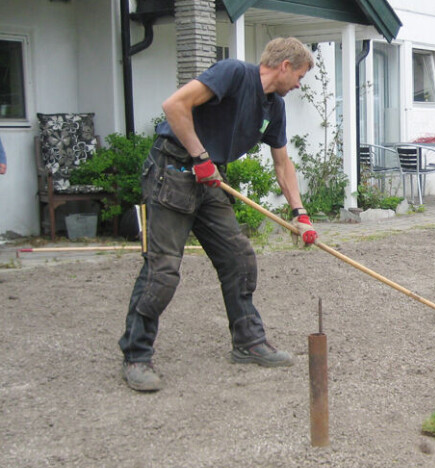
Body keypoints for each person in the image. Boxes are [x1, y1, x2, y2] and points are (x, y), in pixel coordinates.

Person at [119, 37, 319, 392]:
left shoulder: (274, 107)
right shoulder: (233, 74)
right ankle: (136, 355)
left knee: (239, 258)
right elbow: (174, 105)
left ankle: (248, 342)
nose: (299, 85)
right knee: (163, 270)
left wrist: (299, 212)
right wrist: (199, 156)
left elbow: (282, 162)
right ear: (285, 66)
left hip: (208, 180)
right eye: (300, 76)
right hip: (173, 171)